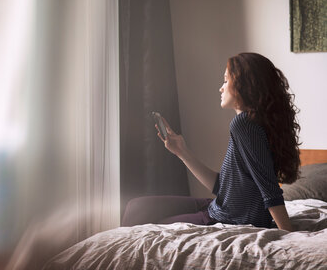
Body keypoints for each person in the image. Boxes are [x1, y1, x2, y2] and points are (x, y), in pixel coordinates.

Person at [121, 53, 301, 231]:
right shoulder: (251, 125)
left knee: (140, 220)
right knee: (136, 207)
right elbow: (221, 187)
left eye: (225, 80)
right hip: (220, 206)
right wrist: (182, 152)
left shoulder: (244, 125)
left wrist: (288, 234)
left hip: (230, 218)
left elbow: (269, 188)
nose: (221, 88)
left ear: (245, 84)